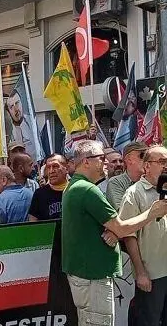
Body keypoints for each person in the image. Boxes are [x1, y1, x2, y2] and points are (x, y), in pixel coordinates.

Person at [62, 140, 167, 326]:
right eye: (101, 158)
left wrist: (113, 230)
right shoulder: (87, 190)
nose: (106, 163)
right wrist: (151, 213)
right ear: (86, 161)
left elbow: (111, 228)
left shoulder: (76, 187)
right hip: (93, 275)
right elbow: (121, 228)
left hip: (90, 274)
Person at [120, 146, 167, 326]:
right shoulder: (134, 193)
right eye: (162, 162)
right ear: (146, 166)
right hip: (153, 274)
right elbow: (129, 236)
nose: (166, 166)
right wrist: (140, 272)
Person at [106, 141, 147, 211]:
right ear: (128, 160)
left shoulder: (153, 180)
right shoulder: (116, 182)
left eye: (148, 156)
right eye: (142, 156)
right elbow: (122, 212)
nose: (147, 160)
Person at [28, 154, 68, 221]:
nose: (51, 171)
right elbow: (33, 221)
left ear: (66, 168)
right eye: (48, 167)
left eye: (55, 166)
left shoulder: (75, 190)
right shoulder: (39, 194)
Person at [6, 90, 37, 159]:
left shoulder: (32, 122)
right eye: (11, 106)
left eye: (17, 103)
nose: (16, 109)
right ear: (8, 111)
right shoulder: (7, 129)